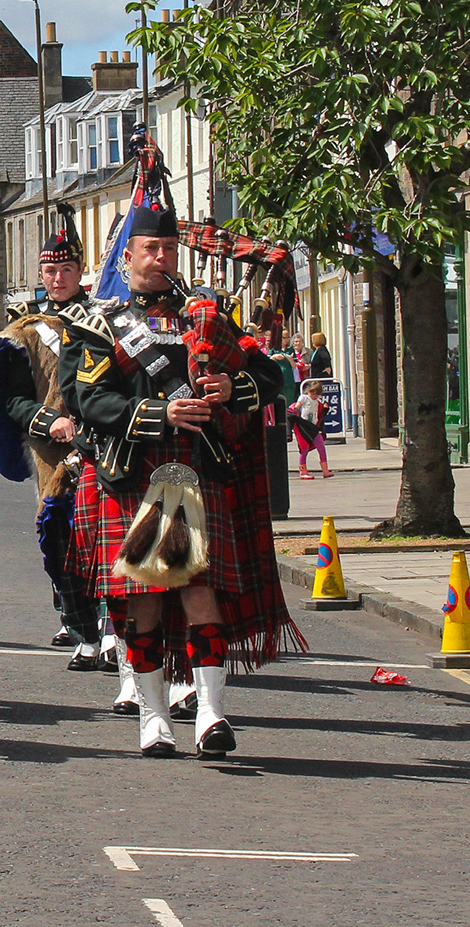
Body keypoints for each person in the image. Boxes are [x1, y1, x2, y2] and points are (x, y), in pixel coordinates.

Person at [60, 199, 303, 758]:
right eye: (151, 249)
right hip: (136, 475)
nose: (161, 257)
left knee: (200, 591)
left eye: (168, 248)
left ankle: (212, 715)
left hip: (196, 470)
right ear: (128, 259)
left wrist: (229, 390)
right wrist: (160, 414)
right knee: (143, 602)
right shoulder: (99, 323)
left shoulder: (207, 316)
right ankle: (153, 718)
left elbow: (268, 377)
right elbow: (89, 399)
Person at [0, 204, 103, 671]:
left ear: (80, 271)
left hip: (105, 445)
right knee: (60, 535)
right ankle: (77, 622)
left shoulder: (104, 322)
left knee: (104, 536)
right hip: (52, 452)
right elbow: (10, 399)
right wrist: (46, 420)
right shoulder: (25, 332)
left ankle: (109, 626)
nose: (58, 279)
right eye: (50, 271)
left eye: (67, 269)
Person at [292, 379, 332, 480]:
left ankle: (325, 470)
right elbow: (296, 408)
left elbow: (320, 413)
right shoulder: (304, 398)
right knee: (304, 448)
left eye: (317, 395)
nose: (315, 397)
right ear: (309, 391)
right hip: (303, 426)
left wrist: (325, 408)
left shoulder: (317, 402)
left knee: (321, 446)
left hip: (313, 427)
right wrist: (295, 415)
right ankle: (303, 470)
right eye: (314, 394)